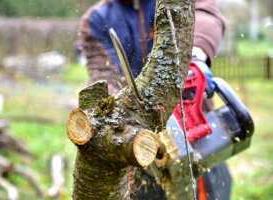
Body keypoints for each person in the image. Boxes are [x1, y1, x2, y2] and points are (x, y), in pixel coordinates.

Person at [79, 0, 231, 199]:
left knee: (210, 189)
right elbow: (103, 74)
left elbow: (205, 13)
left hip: (195, 130)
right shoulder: (97, 19)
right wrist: (117, 102)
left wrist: (194, 55)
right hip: (141, 144)